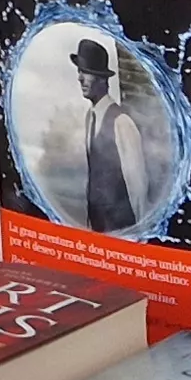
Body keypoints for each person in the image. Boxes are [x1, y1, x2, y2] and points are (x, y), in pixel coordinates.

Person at [72, 38, 149, 234]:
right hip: (99, 231)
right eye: (79, 71)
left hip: (122, 229)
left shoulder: (121, 122)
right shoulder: (90, 117)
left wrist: (140, 234)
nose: (80, 78)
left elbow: (137, 185)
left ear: (102, 78)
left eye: (86, 72)